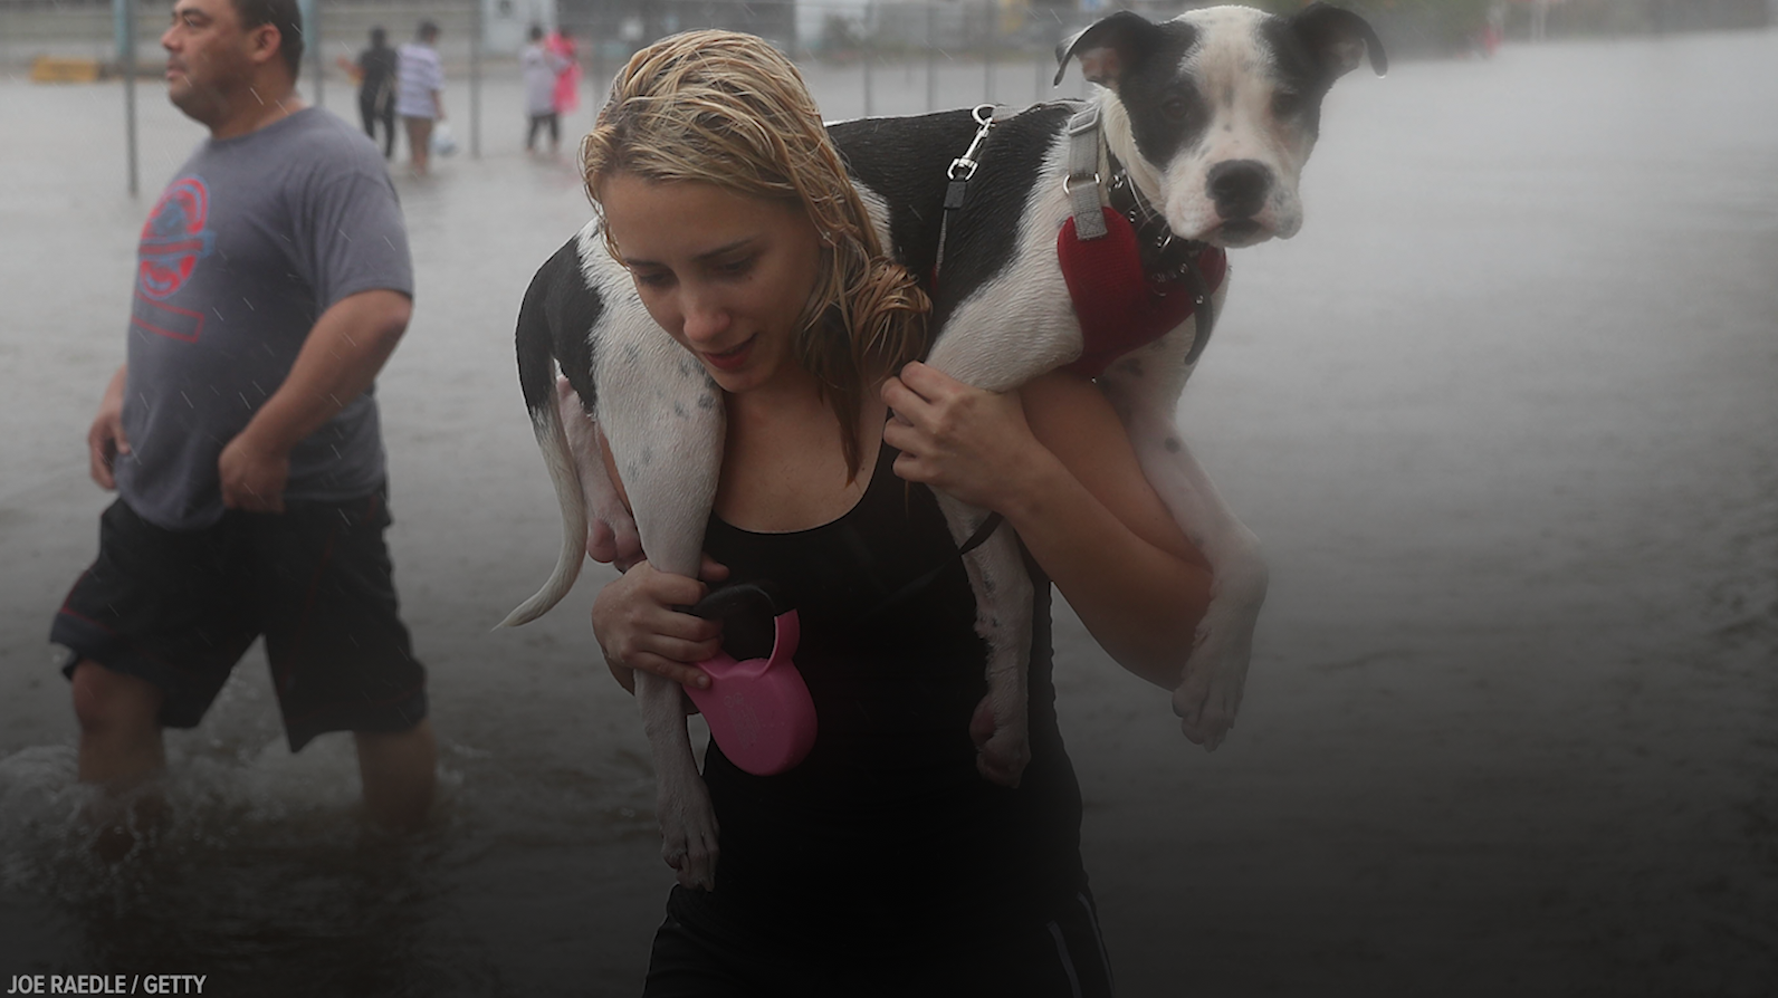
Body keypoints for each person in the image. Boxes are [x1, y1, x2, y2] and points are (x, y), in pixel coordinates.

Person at [582, 31, 1212, 994]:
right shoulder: (672, 413)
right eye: (654, 277)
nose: (696, 320)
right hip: (736, 935)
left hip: (991, 939)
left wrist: (1020, 480)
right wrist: (628, 633)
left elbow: (1182, 642)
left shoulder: (989, 369)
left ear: (825, 212)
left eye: (732, 263)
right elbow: (720, 671)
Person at [52, 0, 436, 851]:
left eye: (193, 20)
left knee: (373, 704)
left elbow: (375, 310)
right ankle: (136, 891)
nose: (166, 37)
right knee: (105, 687)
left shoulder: (330, 159)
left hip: (300, 499)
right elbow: (195, 296)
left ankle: (403, 888)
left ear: (264, 41)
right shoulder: (209, 158)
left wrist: (269, 438)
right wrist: (125, 387)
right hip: (171, 489)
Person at [394, 20, 444, 175]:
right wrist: (439, 108)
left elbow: (397, 75)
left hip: (406, 103)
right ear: (431, 36)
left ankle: (414, 165)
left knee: (412, 138)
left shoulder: (404, 51)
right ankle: (422, 170)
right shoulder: (430, 56)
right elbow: (433, 84)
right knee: (424, 140)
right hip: (423, 105)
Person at [520, 24, 567, 154]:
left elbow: (562, 65)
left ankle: (551, 144)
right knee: (538, 121)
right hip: (540, 91)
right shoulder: (534, 51)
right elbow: (562, 64)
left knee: (549, 119)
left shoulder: (533, 51)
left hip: (547, 91)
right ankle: (536, 145)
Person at [352, 26, 398, 158]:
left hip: (367, 93)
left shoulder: (365, 54)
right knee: (389, 126)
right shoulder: (391, 53)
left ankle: (371, 152)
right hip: (385, 94)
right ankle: (388, 154)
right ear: (385, 38)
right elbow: (394, 72)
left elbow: (358, 75)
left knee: (368, 126)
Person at [545, 24, 580, 120]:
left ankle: (558, 105)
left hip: (565, 72)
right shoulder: (553, 42)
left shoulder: (570, 44)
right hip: (554, 72)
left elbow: (573, 56)